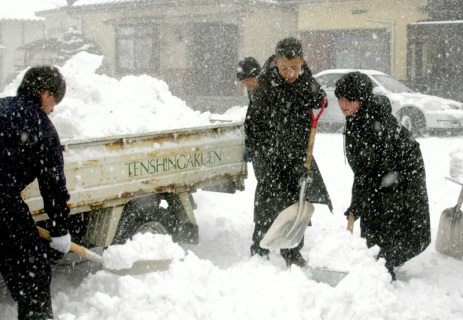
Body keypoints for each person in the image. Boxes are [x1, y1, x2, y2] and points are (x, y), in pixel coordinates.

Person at [335, 71, 431, 281]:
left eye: (349, 99)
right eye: (340, 99)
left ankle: (381, 269)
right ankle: (374, 261)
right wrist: (358, 202)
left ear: (361, 98)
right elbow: (363, 170)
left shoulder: (375, 125)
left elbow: (372, 171)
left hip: (401, 176)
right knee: (372, 220)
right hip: (382, 175)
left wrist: (360, 201)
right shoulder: (357, 117)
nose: (343, 104)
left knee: (389, 219)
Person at [245, 37, 333, 267]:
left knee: (297, 198)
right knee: (269, 197)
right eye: (284, 68)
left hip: (296, 152)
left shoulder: (305, 78)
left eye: (295, 67)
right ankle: (260, 246)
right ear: (276, 62)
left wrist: (320, 97)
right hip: (268, 151)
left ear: (302, 61)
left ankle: (292, 251)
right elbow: (254, 123)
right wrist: (261, 152)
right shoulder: (265, 82)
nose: (290, 73)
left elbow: (317, 94)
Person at [0, 66, 71, 319]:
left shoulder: (2, 106)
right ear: (45, 94)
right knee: (32, 271)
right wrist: (60, 229)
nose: (53, 109)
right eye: (55, 102)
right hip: (3, 201)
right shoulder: (40, 124)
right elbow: (52, 184)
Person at [237, 56, 261, 163]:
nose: (245, 84)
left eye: (247, 80)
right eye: (242, 81)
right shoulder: (252, 90)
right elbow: (252, 115)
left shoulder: (267, 92)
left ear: (257, 75)